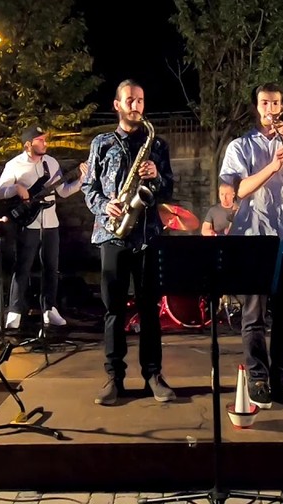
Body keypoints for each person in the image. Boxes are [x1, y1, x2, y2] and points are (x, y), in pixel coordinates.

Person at [219, 82, 283, 409]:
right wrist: (273, 167)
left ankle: (280, 377)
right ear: (257, 106)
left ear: (282, 106)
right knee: (254, 315)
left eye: (275, 103)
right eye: (265, 103)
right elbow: (238, 189)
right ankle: (257, 376)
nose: (270, 109)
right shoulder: (240, 146)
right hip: (254, 238)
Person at [82, 79, 176, 406]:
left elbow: (168, 189)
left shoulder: (157, 145)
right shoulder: (102, 143)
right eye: (130, 100)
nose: (136, 105)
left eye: (140, 100)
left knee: (150, 309)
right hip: (112, 233)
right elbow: (88, 187)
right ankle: (114, 377)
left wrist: (157, 176)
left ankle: (153, 374)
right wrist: (103, 204)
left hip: (148, 235)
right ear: (117, 105)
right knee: (114, 309)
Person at [0, 124, 87, 330]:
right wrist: (16, 188)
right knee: (23, 266)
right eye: (40, 140)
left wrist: (81, 180)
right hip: (29, 222)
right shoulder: (14, 165)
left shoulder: (51, 163)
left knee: (51, 267)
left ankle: (49, 308)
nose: (45, 143)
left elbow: (63, 191)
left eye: (45, 139)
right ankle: (15, 310)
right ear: (28, 144)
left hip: (51, 222)